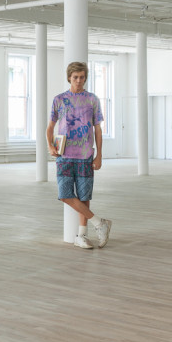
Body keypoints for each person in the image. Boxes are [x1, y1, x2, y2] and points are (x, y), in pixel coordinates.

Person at [46, 61, 111, 250]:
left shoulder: (92, 99)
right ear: (69, 78)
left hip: (85, 155)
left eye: (82, 77)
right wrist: (50, 145)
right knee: (65, 195)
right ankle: (100, 223)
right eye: (76, 77)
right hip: (64, 154)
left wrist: (99, 155)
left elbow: (97, 130)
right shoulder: (59, 99)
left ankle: (82, 235)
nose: (79, 80)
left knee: (84, 196)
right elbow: (50, 127)